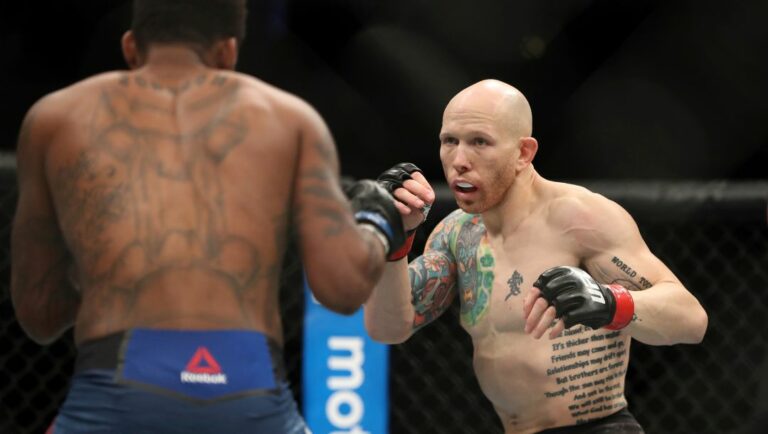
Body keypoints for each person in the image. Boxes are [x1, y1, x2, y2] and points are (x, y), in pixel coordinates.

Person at [10, 1, 405, 432]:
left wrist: (104, 264)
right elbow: (342, 288)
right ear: (228, 53)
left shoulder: (55, 118)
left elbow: (40, 313)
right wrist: (375, 222)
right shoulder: (292, 120)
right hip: (250, 392)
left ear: (129, 47)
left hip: (114, 392)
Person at [364, 79, 708, 433]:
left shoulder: (579, 217)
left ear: (523, 152)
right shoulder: (455, 234)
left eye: (480, 142)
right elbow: (388, 328)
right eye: (450, 141)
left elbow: (692, 319)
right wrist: (397, 238)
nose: (459, 161)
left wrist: (610, 304)